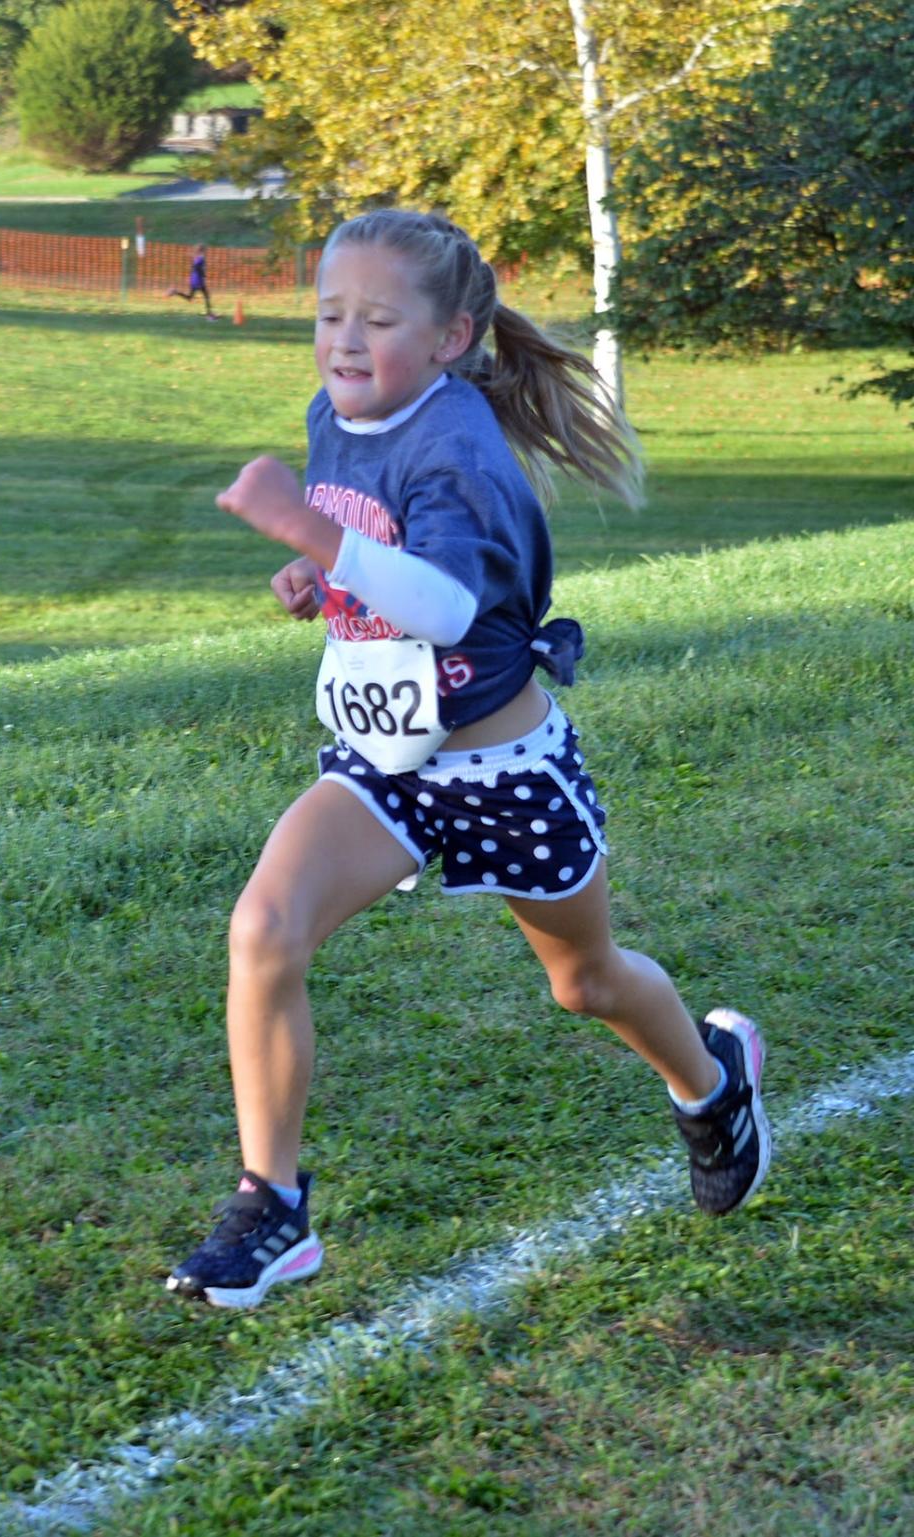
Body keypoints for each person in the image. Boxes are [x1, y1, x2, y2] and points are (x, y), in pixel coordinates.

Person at [166, 209, 771, 1310]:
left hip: (502, 773)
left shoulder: (461, 445)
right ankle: (272, 1206)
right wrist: (322, 581)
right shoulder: (338, 412)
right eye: (329, 312)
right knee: (263, 927)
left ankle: (713, 1081)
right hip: (388, 762)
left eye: (378, 319)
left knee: (584, 982)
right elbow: (377, 556)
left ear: (451, 338)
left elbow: (446, 604)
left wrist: (306, 533)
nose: (344, 340)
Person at [165, 242, 218, 319]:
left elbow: (195, 267)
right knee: (206, 295)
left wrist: (202, 273)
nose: (206, 252)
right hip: (198, 281)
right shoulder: (200, 258)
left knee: (190, 297)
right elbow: (196, 267)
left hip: (194, 280)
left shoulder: (197, 258)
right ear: (202, 251)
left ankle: (175, 292)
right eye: (205, 250)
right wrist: (202, 274)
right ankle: (209, 314)